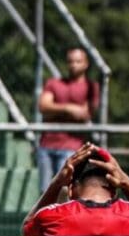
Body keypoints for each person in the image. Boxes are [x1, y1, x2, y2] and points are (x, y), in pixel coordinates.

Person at [36, 47, 99, 191]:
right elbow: (43, 107)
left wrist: (54, 109)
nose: (74, 65)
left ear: (86, 63)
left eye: (78, 61)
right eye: (70, 61)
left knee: (65, 189)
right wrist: (69, 108)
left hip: (71, 147)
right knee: (45, 191)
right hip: (46, 144)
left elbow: (85, 114)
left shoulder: (91, 87)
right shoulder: (54, 83)